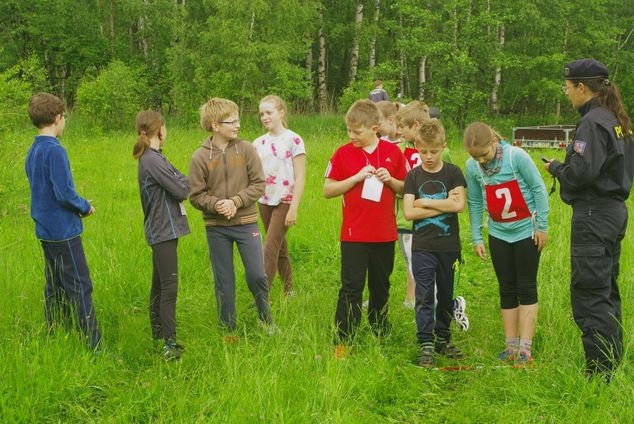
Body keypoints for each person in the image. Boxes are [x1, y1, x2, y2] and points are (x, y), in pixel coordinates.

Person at [544, 58, 634, 380]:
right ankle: (613, 358)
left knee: (590, 293)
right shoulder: (616, 120)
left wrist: (556, 168)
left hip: (594, 215)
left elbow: (581, 174)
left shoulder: (592, 123)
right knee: (607, 288)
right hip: (613, 212)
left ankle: (600, 373)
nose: (567, 93)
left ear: (581, 87)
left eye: (567, 87)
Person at [324, 99, 408, 358]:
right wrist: (356, 177)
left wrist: (390, 179)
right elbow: (328, 190)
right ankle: (343, 339)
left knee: (381, 285)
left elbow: (406, 189)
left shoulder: (394, 153)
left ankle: (380, 330)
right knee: (351, 287)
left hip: (384, 233)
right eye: (349, 130)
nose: (352, 136)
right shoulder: (342, 153)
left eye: (357, 132)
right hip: (354, 234)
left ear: (375, 128)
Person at [189, 97, 277, 339]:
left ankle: (265, 320)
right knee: (224, 281)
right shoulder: (200, 157)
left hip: (246, 223)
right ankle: (228, 331)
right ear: (216, 125)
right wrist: (217, 204)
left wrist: (235, 201)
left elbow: (259, 184)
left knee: (257, 275)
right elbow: (196, 195)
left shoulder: (246, 149)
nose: (238, 125)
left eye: (238, 120)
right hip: (216, 227)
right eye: (232, 121)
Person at [464, 122, 549, 365]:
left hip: (526, 233)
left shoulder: (516, 157)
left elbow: (538, 189)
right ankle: (510, 346)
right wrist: (477, 236)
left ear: (493, 142)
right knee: (506, 288)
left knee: (526, 287)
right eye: (475, 156)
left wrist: (541, 226)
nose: (481, 160)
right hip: (499, 235)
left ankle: (525, 349)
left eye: (484, 154)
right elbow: (475, 202)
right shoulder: (473, 167)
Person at [25, 92, 102, 351]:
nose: (64, 122)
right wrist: (85, 206)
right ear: (58, 118)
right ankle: (94, 345)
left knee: (56, 284)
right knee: (80, 285)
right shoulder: (55, 151)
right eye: (64, 117)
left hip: (45, 230)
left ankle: (56, 331)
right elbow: (64, 193)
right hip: (63, 232)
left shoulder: (33, 150)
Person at [403, 119, 466, 367]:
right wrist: (444, 206)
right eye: (423, 151)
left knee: (446, 293)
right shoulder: (413, 176)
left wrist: (424, 202)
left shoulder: (453, 173)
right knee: (425, 294)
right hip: (422, 247)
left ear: (444, 146)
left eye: (434, 151)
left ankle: (443, 337)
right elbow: (408, 213)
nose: (428, 156)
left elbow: (459, 206)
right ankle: (426, 342)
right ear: (417, 146)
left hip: (449, 247)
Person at [133, 111, 190, 360]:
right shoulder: (152, 160)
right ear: (160, 130)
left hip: (162, 229)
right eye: (165, 127)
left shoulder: (155, 157)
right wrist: (182, 183)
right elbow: (181, 188)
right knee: (169, 286)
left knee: (158, 284)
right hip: (162, 229)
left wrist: (182, 182)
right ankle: (170, 343)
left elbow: (182, 181)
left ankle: (157, 335)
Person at [253, 95, 306, 296]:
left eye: (269, 112)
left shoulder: (294, 140)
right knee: (279, 246)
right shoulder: (258, 143)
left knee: (270, 247)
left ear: (281, 113)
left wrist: (294, 207)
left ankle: (262, 297)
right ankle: (289, 290)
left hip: (285, 200)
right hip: (264, 200)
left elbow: (300, 176)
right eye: (261, 114)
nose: (264, 117)